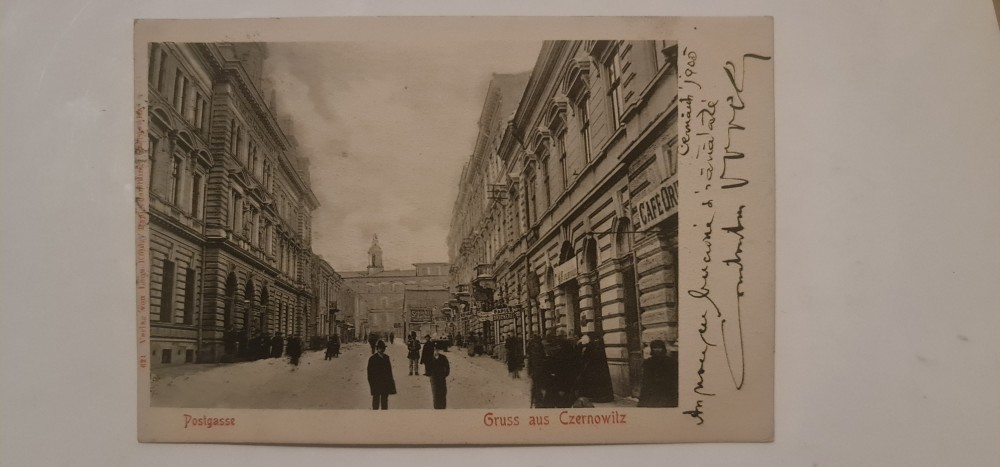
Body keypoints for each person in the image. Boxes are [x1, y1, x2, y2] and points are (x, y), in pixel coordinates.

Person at [574, 333, 615, 403]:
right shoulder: (596, 346)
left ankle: (598, 396)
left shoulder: (590, 346)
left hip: (594, 368)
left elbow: (585, 357)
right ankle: (601, 396)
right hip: (597, 368)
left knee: (596, 382)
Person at [637, 340, 679, 407]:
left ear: (663, 349)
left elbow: (674, 378)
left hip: (666, 390)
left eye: (659, 347)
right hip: (652, 391)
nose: (657, 350)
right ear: (652, 349)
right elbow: (645, 380)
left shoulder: (671, 362)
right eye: (655, 348)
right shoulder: (648, 362)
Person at [366, 340, 396, 410]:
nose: (382, 350)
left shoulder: (386, 358)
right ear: (377, 349)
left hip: (385, 384)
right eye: (380, 348)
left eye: (383, 348)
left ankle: (383, 415)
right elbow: (369, 374)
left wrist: (391, 384)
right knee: (376, 402)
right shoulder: (372, 359)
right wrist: (372, 384)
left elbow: (389, 372)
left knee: (384, 402)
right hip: (376, 383)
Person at [427, 341, 450, 409]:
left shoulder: (443, 358)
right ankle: (437, 408)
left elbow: (447, 368)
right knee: (436, 394)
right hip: (434, 379)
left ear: (439, 350)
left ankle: (443, 408)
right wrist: (431, 375)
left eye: (437, 349)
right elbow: (428, 369)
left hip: (442, 378)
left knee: (443, 393)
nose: (436, 351)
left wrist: (444, 374)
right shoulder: (430, 358)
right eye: (434, 349)